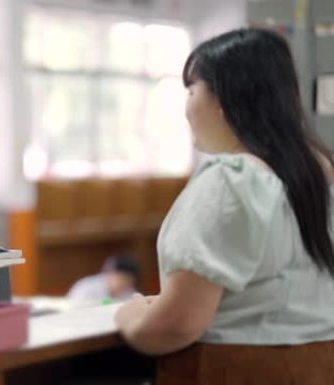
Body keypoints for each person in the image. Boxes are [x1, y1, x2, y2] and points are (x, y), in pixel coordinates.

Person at [114, 28, 334, 384]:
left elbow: (174, 327)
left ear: (225, 98)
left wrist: (131, 315)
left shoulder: (233, 179)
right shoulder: (321, 178)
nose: (186, 108)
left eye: (191, 89)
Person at [66, 254, 139, 304]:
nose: (124, 284)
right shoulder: (86, 288)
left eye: (129, 282)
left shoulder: (130, 292)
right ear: (109, 273)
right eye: (122, 279)